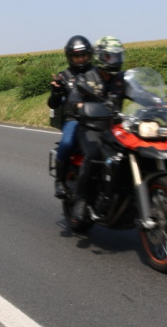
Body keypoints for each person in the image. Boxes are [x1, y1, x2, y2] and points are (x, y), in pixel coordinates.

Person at [66, 36, 127, 220]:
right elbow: (75, 95)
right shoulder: (87, 77)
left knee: (134, 151)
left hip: (115, 129)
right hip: (91, 128)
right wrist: (79, 105)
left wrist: (157, 102)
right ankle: (82, 199)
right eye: (110, 56)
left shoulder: (121, 79)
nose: (114, 61)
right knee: (93, 154)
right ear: (100, 56)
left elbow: (140, 93)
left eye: (117, 56)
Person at [49, 35, 94, 199]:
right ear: (70, 57)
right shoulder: (64, 76)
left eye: (83, 55)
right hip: (74, 119)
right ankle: (60, 181)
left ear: (89, 54)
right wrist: (56, 92)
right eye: (77, 56)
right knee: (67, 142)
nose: (81, 59)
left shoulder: (97, 73)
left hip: (98, 119)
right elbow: (53, 104)